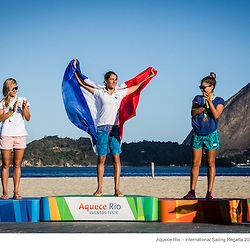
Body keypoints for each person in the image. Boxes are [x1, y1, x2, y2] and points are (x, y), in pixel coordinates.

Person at [73, 59, 155, 197]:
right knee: (101, 159)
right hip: (102, 128)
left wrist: (149, 77)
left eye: (115, 79)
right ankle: (99, 188)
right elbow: (82, 84)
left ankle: (117, 189)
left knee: (116, 158)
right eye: (111, 79)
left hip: (115, 128)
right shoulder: (99, 92)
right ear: (105, 81)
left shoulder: (120, 92)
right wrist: (74, 70)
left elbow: (137, 87)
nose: (114, 82)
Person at [184, 72, 224, 199]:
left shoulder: (219, 100)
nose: (202, 90)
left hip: (211, 134)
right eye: (201, 87)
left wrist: (209, 102)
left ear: (211, 87)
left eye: (204, 87)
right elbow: (193, 112)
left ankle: (209, 191)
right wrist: (203, 106)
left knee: (210, 163)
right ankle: (192, 191)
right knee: (195, 163)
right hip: (197, 133)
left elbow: (216, 115)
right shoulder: (197, 98)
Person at [0, 78, 30, 199]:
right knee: (6, 164)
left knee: (17, 164)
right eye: (13, 88)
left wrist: (24, 109)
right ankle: (5, 192)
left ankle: (16, 192)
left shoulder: (23, 100)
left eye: (17, 88)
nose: (16, 90)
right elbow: (0, 118)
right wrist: (12, 111)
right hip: (6, 134)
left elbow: (28, 118)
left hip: (20, 134)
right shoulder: (2, 102)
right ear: (8, 89)